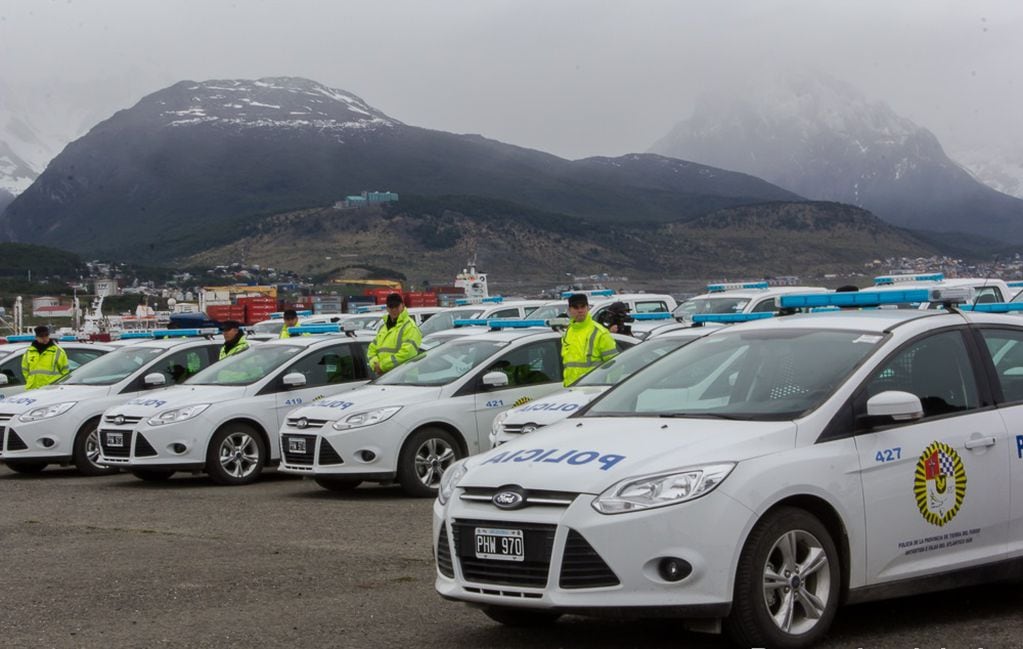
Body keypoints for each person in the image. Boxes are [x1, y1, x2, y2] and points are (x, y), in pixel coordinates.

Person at [562, 293, 618, 386]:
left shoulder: (600, 332)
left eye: (583, 307)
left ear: (587, 308)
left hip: (593, 391)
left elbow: (615, 365)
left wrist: (607, 388)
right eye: (576, 307)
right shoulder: (568, 332)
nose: (580, 310)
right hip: (570, 389)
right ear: (569, 310)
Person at [367, 293, 422, 375]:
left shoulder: (410, 326)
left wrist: (381, 366)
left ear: (403, 305)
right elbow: (371, 350)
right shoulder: (383, 327)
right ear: (387, 308)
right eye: (391, 307)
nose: (393, 310)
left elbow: (407, 354)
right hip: (385, 377)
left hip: (404, 379)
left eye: (396, 307)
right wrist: (375, 365)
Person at [21, 325, 69, 389]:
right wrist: (31, 381)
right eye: (41, 336)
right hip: (33, 389)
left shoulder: (58, 351)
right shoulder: (29, 352)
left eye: (46, 335)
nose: (44, 338)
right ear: (36, 337)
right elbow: (25, 370)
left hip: (51, 390)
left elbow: (65, 372)